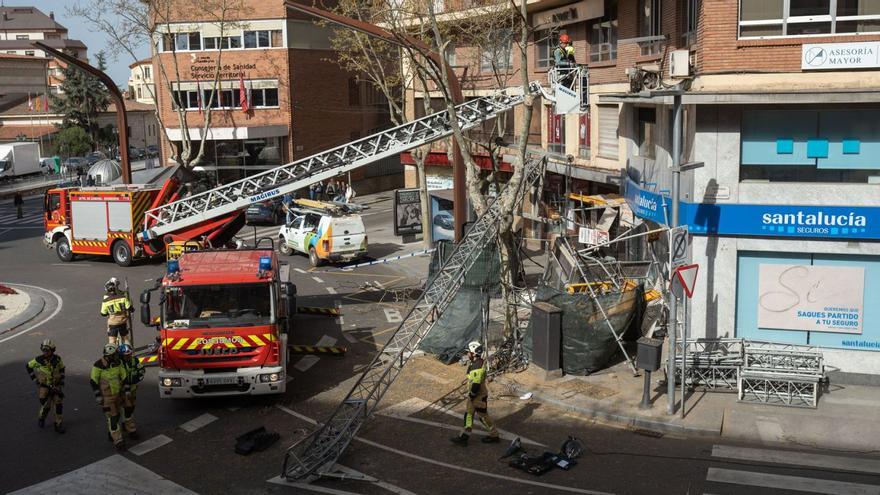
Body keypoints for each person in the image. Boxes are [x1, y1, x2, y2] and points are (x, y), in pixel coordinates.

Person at [450, 341, 500, 446]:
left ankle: (494, 435)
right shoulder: (476, 362)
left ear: (474, 353)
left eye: (468, 352)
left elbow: (476, 384)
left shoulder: (477, 365)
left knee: (483, 417)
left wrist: (472, 396)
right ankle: (464, 438)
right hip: (473, 396)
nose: (467, 354)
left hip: (478, 396)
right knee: (468, 415)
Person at [90, 343, 129, 450]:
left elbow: (124, 375)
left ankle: (111, 433)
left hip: (118, 395)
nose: (118, 356)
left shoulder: (117, 363)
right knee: (113, 418)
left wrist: (126, 389)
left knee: (117, 414)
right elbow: (93, 381)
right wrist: (98, 396)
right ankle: (118, 441)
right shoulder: (98, 365)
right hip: (107, 397)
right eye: (116, 354)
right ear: (110, 355)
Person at [26, 339, 66, 433]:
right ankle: (41, 418)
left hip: (56, 386)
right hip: (45, 387)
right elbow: (28, 366)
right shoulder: (38, 360)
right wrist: (35, 379)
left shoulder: (57, 359)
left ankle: (58, 424)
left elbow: (62, 368)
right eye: (43, 350)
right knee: (46, 406)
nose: (45, 352)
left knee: (58, 405)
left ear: (52, 350)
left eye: (47, 350)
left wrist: (62, 380)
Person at [118, 344, 144, 440]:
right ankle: (130, 429)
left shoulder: (134, 360)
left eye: (129, 354)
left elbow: (141, 369)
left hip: (133, 389)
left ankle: (125, 423)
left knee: (131, 407)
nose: (128, 356)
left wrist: (138, 377)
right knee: (126, 409)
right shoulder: (119, 364)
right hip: (123, 390)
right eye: (126, 355)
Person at [100, 277, 133, 345]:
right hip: (122, 321)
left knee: (112, 340)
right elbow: (129, 307)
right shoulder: (122, 296)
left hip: (113, 322)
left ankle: (112, 354)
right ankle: (129, 352)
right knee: (125, 338)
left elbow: (103, 313)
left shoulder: (106, 300)